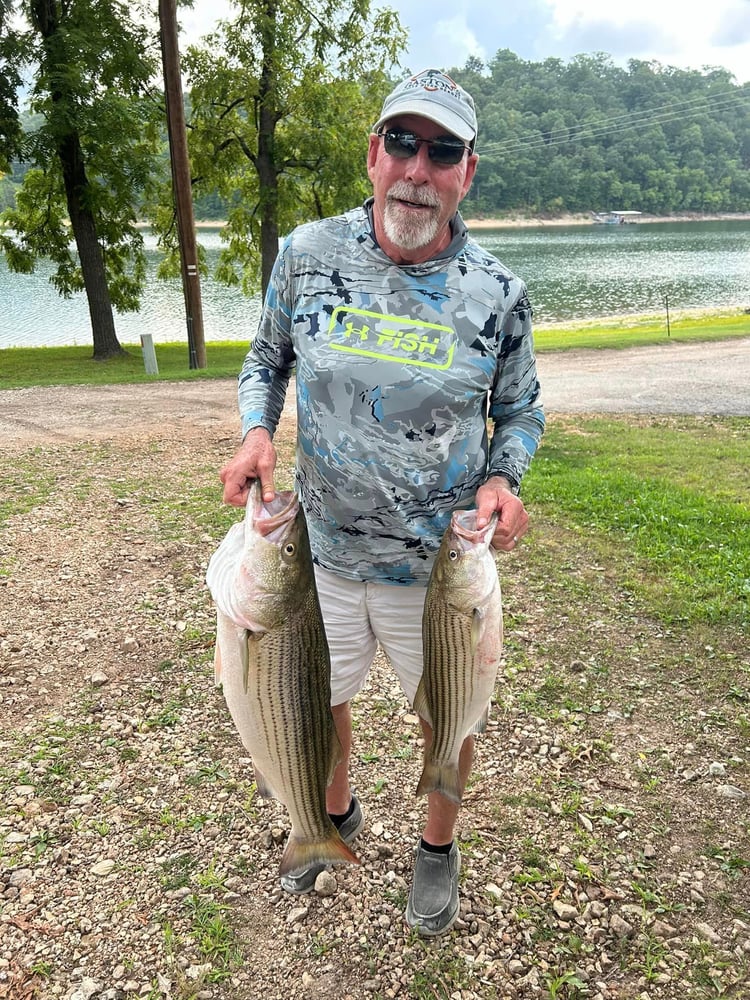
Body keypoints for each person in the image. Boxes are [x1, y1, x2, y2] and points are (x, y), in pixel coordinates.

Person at [219, 69, 545, 937]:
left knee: (451, 712)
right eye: (402, 143)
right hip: (315, 555)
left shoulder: (497, 291)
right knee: (319, 700)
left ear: (466, 173)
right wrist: (257, 431)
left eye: (441, 151)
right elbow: (265, 360)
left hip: (438, 570)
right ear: (374, 155)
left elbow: (519, 409)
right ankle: (331, 818)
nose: (417, 168)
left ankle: (436, 850)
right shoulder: (308, 254)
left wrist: (503, 479)